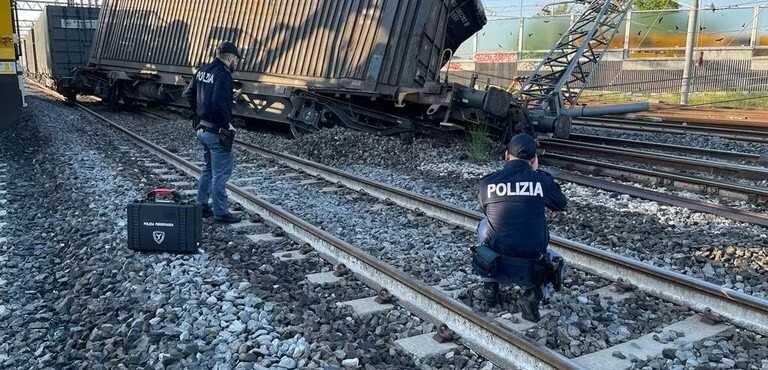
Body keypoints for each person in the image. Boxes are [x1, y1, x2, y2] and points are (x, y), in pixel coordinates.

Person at [473, 133, 567, 322]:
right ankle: (533, 295)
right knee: (559, 261)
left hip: (497, 259)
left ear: (506, 155)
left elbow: (486, 208)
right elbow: (560, 204)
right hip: (532, 262)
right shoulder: (542, 180)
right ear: (533, 159)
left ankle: (490, 286)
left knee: (484, 225)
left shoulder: (488, 182)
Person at [182, 41, 242, 224]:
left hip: (202, 128)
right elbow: (217, 102)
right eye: (236, 60)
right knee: (221, 173)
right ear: (231, 58)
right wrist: (227, 124)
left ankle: (202, 205)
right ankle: (221, 212)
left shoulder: (203, 69)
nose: (236, 64)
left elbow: (188, 94)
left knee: (208, 169)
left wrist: (197, 115)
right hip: (216, 131)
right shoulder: (223, 75)